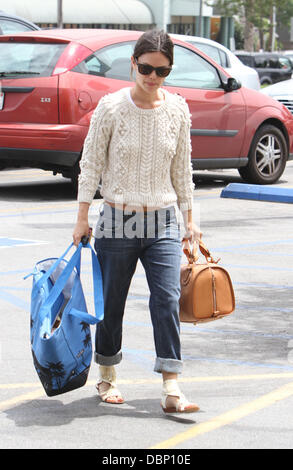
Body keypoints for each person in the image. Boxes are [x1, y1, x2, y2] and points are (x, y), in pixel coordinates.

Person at [73, 29, 201, 413]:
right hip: (117, 220)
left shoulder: (178, 109)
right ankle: (108, 375)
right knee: (112, 303)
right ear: (133, 63)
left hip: (162, 220)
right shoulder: (111, 108)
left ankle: (172, 384)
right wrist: (82, 217)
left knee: (167, 299)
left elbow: (183, 169)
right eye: (146, 68)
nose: (152, 77)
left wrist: (191, 219)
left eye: (162, 71)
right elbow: (91, 164)